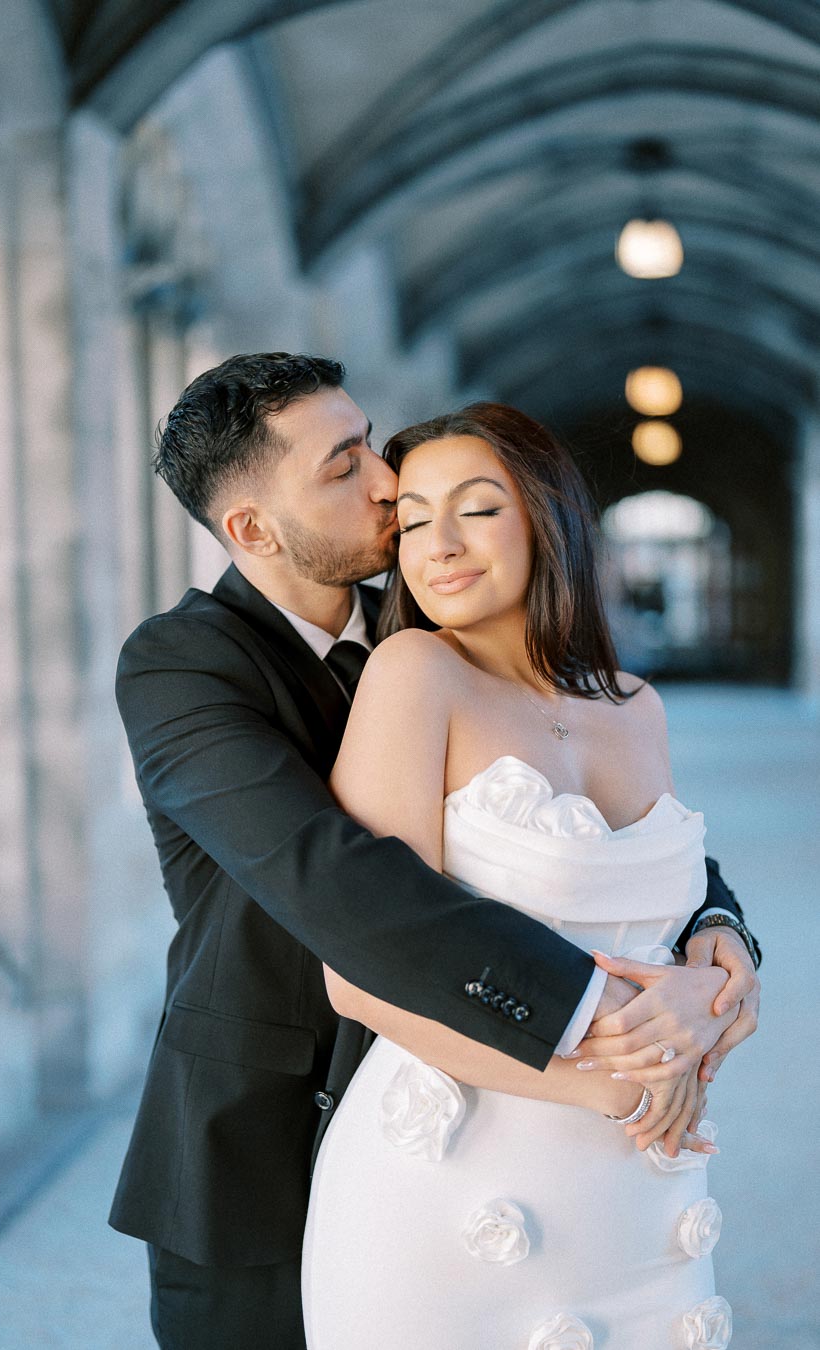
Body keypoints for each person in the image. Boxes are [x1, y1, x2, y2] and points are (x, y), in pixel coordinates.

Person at [109, 354, 759, 1350]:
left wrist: (718, 934)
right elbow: (335, 876)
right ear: (253, 530)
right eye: (342, 467)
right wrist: (611, 1024)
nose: (386, 483)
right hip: (260, 1134)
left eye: (370, 443)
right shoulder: (180, 667)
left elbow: (602, 824)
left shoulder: (439, 620)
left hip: (498, 1113)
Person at [303, 403, 759, 1350]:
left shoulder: (636, 706)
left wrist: (717, 981)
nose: (440, 544)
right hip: (456, 1182)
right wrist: (612, 1090)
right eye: (413, 520)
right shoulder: (415, 673)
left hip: (641, 1192)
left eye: (476, 509)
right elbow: (359, 976)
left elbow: (670, 913)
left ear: (547, 520)